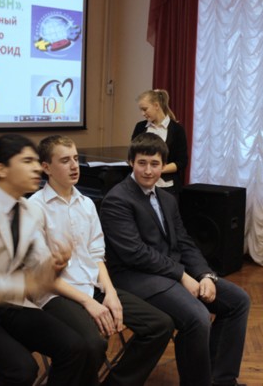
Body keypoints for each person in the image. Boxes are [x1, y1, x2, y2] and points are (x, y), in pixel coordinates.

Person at [0, 134, 95, 386]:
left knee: (76, 348)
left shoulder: (30, 210)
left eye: (36, 161)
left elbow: (39, 263)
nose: (36, 168)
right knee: (22, 370)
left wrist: (55, 264)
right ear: (1, 169)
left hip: (10, 304)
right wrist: (28, 283)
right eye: (27, 161)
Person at [100, 133, 250, 386]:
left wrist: (205, 275)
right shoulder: (117, 200)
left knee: (238, 300)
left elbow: (184, 242)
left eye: (155, 164)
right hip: (136, 277)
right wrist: (182, 276)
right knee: (198, 317)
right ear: (130, 162)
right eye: (142, 163)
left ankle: (222, 380)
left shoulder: (167, 199)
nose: (148, 170)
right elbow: (135, 253)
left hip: (168, 273)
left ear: (164, 166)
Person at [29, 135, 174, 386]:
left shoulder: (86, 204)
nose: (74, 166)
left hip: (92, 285)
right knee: (92, 345)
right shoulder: (34, 208)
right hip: (55, 294)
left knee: (160, 325)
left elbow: (96, 255)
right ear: (46, 167)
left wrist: (111, 293)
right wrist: (89, 303)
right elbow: (42, 275)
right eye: (65, 160)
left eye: (76, 158)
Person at [132, 89, 188, 196]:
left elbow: (181, 162)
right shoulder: (140, 127)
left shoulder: (177, 130)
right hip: (140, 186)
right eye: (141, 110)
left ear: (156, 105)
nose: (142, 114)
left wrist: (155, 170)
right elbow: (133, 155)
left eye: (145, 109)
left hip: (167, 187)